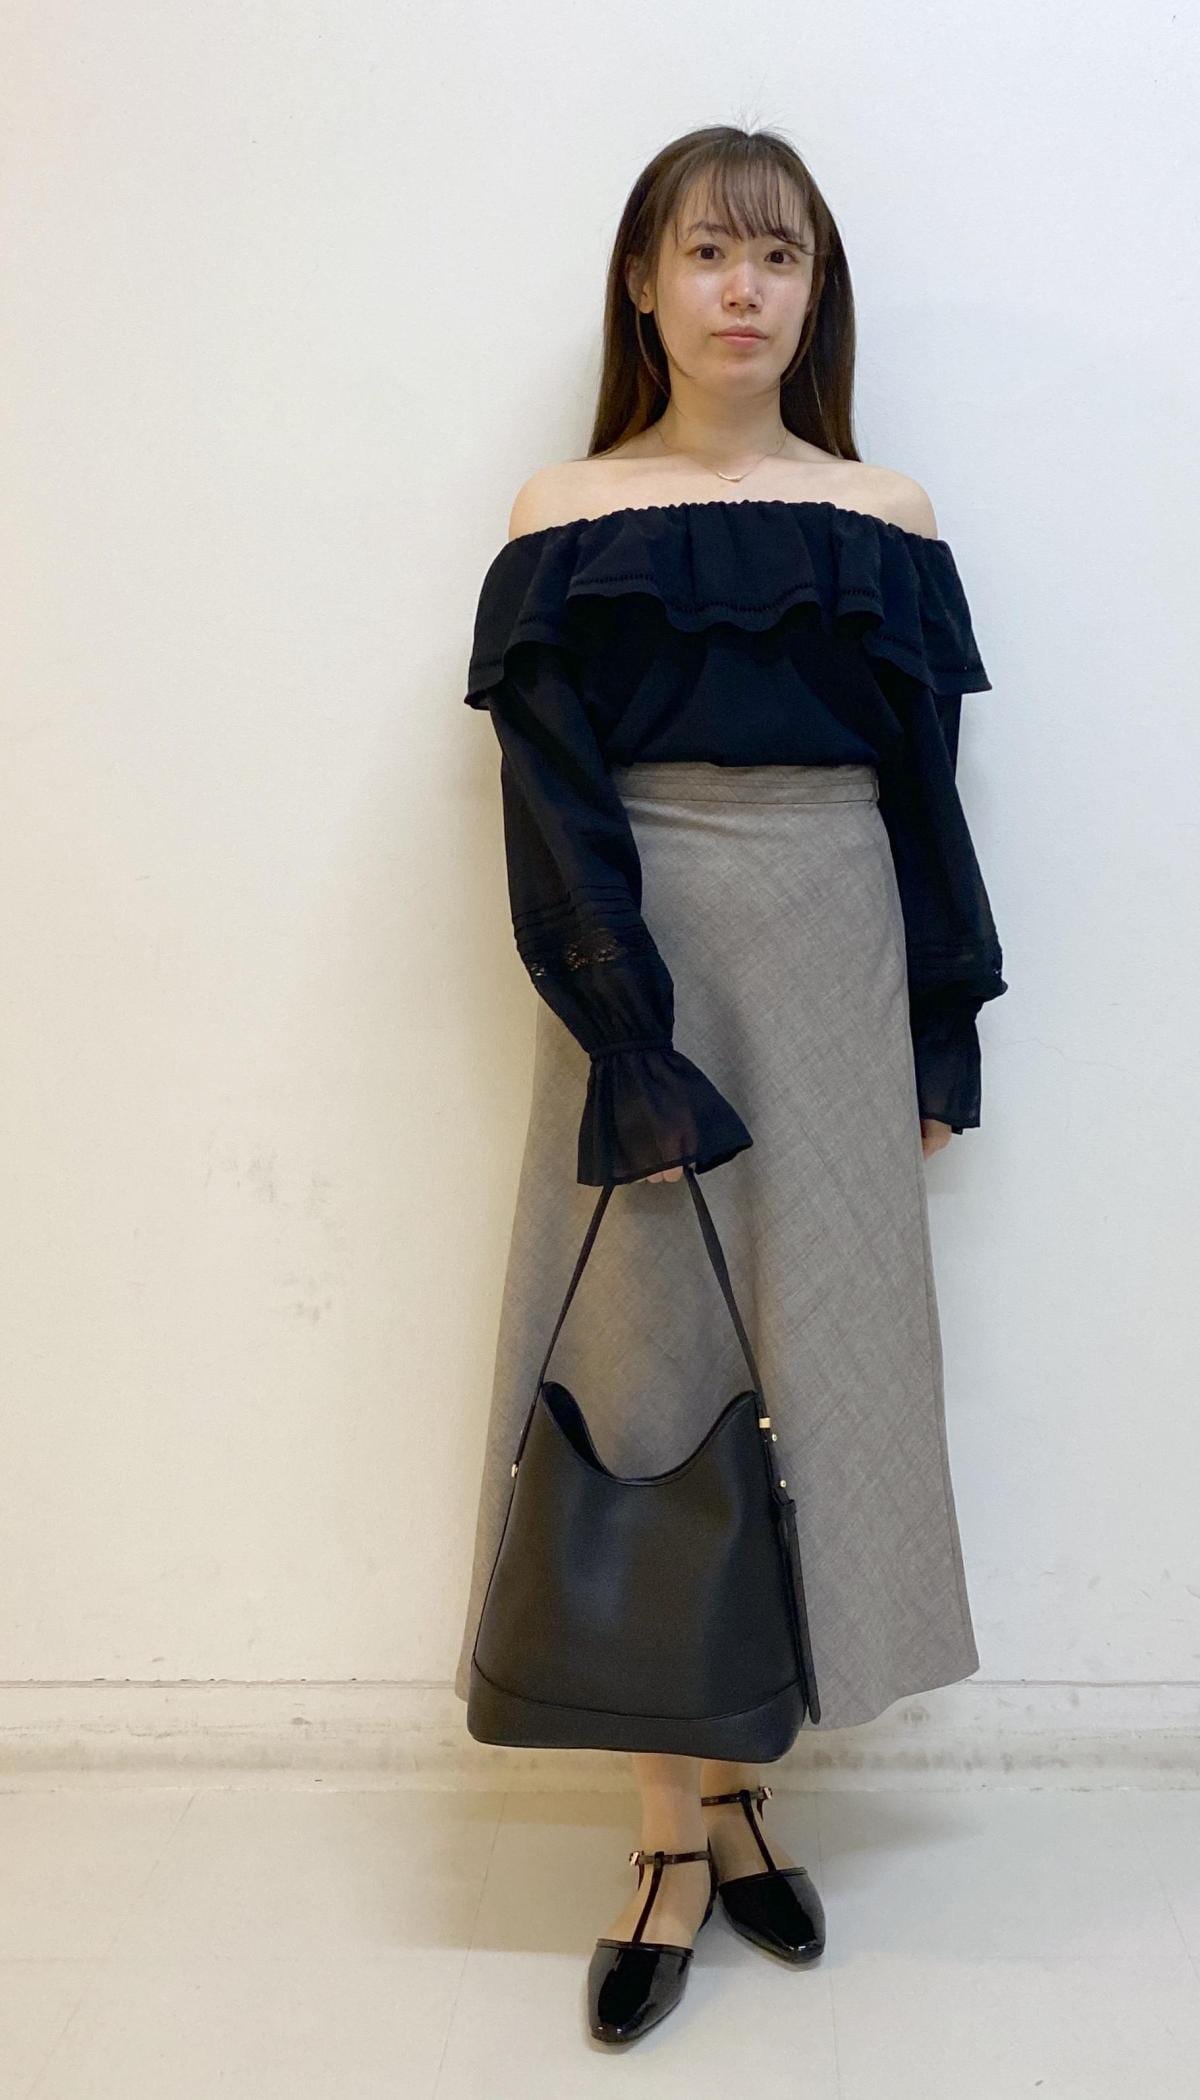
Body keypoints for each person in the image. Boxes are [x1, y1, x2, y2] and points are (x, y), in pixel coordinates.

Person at [454, 123, 1008, 2046]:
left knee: (819, 1372)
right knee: (647, 1376)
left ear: (814, 292)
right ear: (644, 284)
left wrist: (940, 1025)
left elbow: (926, 800)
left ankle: (750, 1780)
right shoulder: (566, 510)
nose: (744, 289)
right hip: (641, 953)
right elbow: (549, 800)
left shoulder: (886, 514)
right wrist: (627, 1030)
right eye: (707, 252)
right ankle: (667, 1837)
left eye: (779, 257)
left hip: (838, 948)